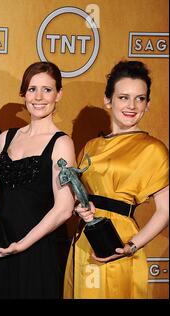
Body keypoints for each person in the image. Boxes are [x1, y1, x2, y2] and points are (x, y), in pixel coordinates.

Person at [64, 61, 169, 299]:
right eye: (123, 97)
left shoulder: (154, 149)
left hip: (119, 241)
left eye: (140, 98)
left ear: (148, 104)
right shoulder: (91, 145)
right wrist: (78, 207)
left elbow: (165, 210)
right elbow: (75, 195)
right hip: (85, 238)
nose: (131, 106)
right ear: (108, 100)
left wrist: (131, 246)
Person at [0, 61, 75, 298]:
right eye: (32, 89)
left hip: (37, 249)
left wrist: (22, 245)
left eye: (47, 90)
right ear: (24, 94)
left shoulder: (61, 142)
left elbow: (64, 208)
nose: (38, 97)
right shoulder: (5, 137)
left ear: (58, 94)